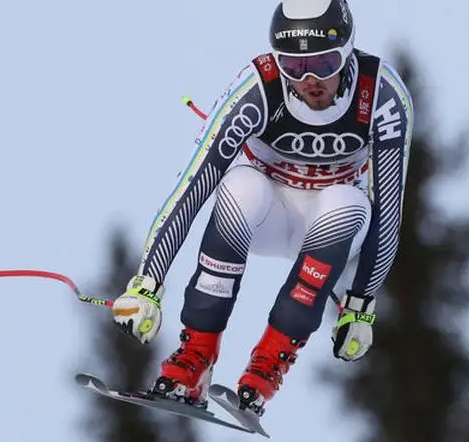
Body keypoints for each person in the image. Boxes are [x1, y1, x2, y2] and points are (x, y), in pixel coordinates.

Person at [111, 0, 414, 418]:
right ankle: (193, 361)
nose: (309, 81)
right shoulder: (256, 88)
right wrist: (148, 283)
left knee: (347, 204)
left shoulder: (380, 94)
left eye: (324, 64)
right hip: (265, 212)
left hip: (329, 224)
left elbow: (390, 211)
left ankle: (265, 372)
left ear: (347, 53)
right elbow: (192, 185)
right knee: (239, 185)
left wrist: (360, 306)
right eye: (293, 65)